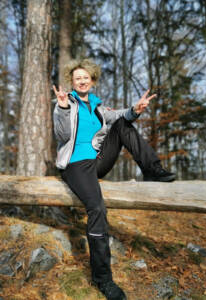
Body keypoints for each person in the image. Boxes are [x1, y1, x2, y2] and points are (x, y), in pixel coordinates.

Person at [53, 58, 175, 300]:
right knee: (97, 208)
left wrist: (135, 110)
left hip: (97, 161)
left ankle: (152, 169)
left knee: (122, 124)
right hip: (76, 165)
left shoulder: (97, 107)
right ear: (72, 82)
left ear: (93, 80)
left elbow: (118, 115)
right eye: (77, 78)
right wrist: (64, 108)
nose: (82, 80)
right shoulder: (66, 103)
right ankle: (103, 279)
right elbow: (63, 134)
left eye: (86, 77)